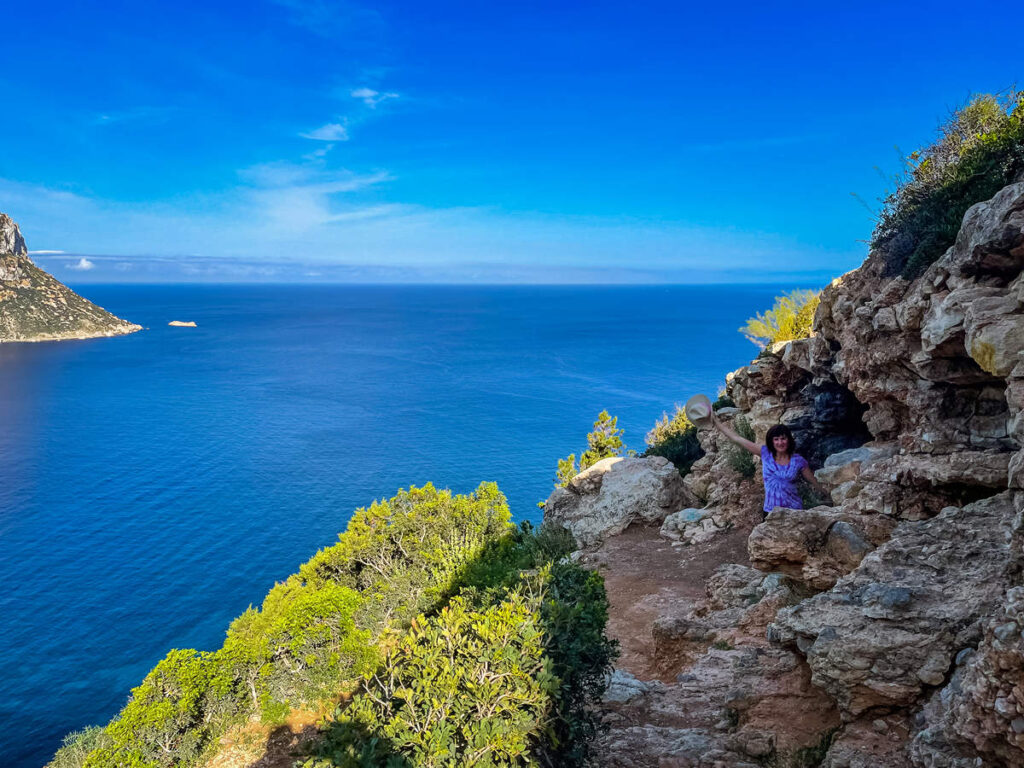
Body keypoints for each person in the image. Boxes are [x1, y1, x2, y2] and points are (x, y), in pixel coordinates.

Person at [711, 414, 829, 515]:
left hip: (794, 511)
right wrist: (716, 421)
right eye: (776, 439)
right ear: (771, 442)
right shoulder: (765, 453)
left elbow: (814, 482)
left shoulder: (798, 461)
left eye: (783, 438)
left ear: (788, 440)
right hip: (771, 511)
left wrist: (829, 496)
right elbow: (737, 438)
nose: (780, 442)